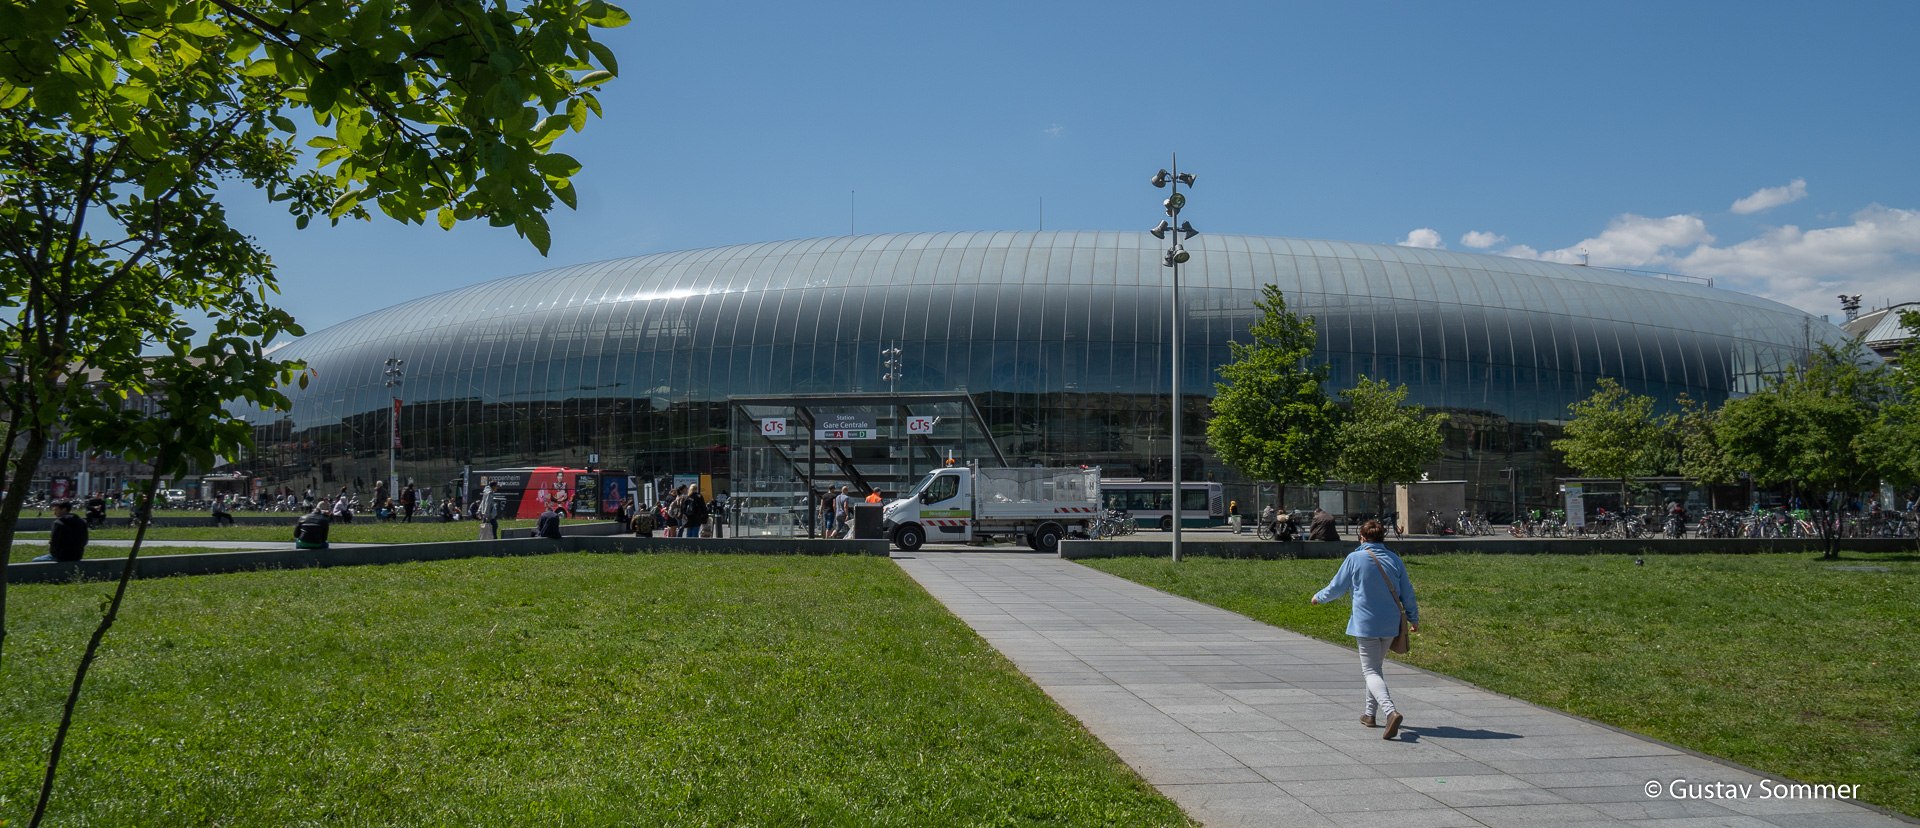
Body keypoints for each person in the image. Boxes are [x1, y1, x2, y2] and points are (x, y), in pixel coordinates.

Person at [1311, 519, 1419, 740]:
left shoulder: (1355, 558)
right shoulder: (1395, 559)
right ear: (1381, 538)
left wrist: (1318, 598)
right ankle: (1370, 715)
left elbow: (1337, 587)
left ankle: (1390, 712)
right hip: (1390, 624)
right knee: (1375, 669)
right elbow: (1407, 592)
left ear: (1362, 537)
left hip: (1366, 624)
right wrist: (1413, 617)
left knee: (1369, 671)